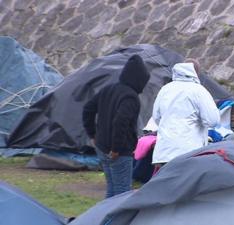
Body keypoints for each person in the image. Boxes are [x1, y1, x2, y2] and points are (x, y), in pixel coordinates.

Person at [82, 55, 150, 198]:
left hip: (102, 147)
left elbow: (88, 109)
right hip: (119, 152)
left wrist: (92, 134)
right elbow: (120, 122)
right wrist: (116, 148)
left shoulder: (108, 89)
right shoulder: (130, 97)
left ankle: (106, 219)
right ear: (139, 80)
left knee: (112, 190)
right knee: (121, 194)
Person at [151, 59, 220, 166]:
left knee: (168, 182)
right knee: (187, 182)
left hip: (164, 151)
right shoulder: (199, 90)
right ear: (196, 73)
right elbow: (213, 121)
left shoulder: (165, 89)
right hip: (189, 151)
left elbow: (156, 117)